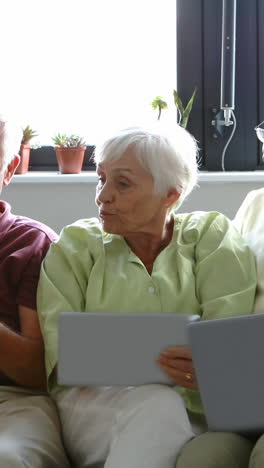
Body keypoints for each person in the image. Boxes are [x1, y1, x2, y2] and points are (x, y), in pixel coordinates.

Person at [37, 123, 257, 468]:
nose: (102, 196)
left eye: (122, 183)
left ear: (171, 194)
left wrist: (211, 367)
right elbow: (61, 356)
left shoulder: (211, 237)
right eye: (101, 178)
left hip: (196, 408)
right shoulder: (75, 246)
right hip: (94, 410)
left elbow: (228, 345)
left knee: (164, 408)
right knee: (158, 403)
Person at [0, 116, 71, 467]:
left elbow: (36, 372)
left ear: (9, 168)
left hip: (13, 399)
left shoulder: (32, 243)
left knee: (9, 459)